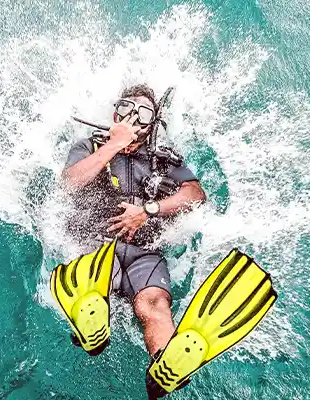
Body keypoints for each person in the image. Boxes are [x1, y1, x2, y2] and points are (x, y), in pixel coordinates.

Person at [60, 84, 207, 356]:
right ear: (116, 115)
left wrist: (150, 210)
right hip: (99, 246)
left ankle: (167, 362)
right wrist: (116, 143)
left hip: (145, 254)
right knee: (97, 292)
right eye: (127, 107)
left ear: (153, 124)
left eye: (144, 113)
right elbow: (69, 183)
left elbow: (196, 194)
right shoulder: (89, 146)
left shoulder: (162, 160)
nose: (134, 117)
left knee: (152, 305)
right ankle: (92, 326)